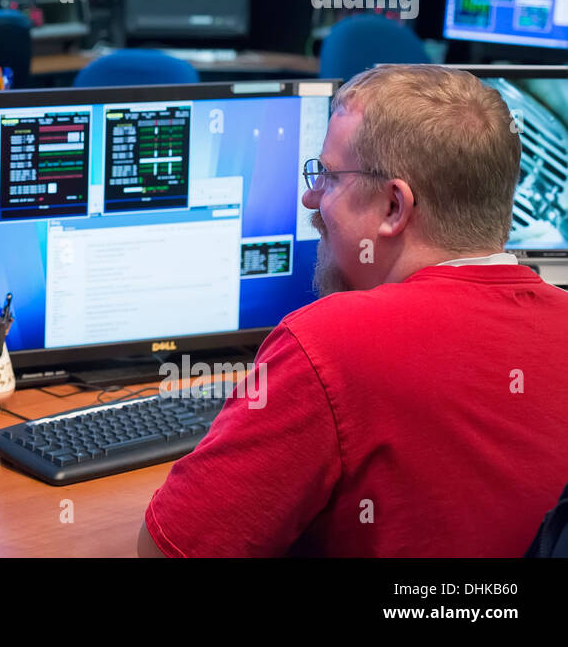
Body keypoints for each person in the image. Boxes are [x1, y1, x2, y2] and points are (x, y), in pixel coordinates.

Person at [138, 64, 568, 557]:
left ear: (393, 207)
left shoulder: (330, 344)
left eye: (328, 177)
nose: (310, 197)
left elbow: (168, 551)